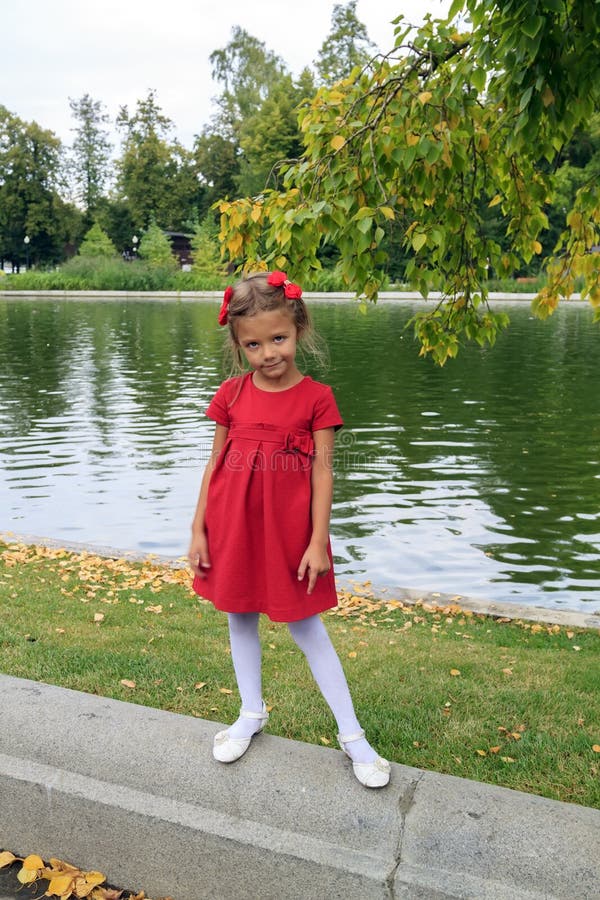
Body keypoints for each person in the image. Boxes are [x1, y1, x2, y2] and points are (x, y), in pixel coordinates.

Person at [188, 270, 390, 789]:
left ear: (298, 328)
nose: (267, 353)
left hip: (290, 536)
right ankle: (250, 712)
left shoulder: (317, 399)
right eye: (253, 344)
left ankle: (353, 736)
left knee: (307, 629)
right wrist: (199, 531)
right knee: (239, 619)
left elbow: (323, 471)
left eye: (277, 338)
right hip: (233, 528)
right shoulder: (231, 395)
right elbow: (214, 466)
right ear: (238, 345)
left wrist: (318, 542)